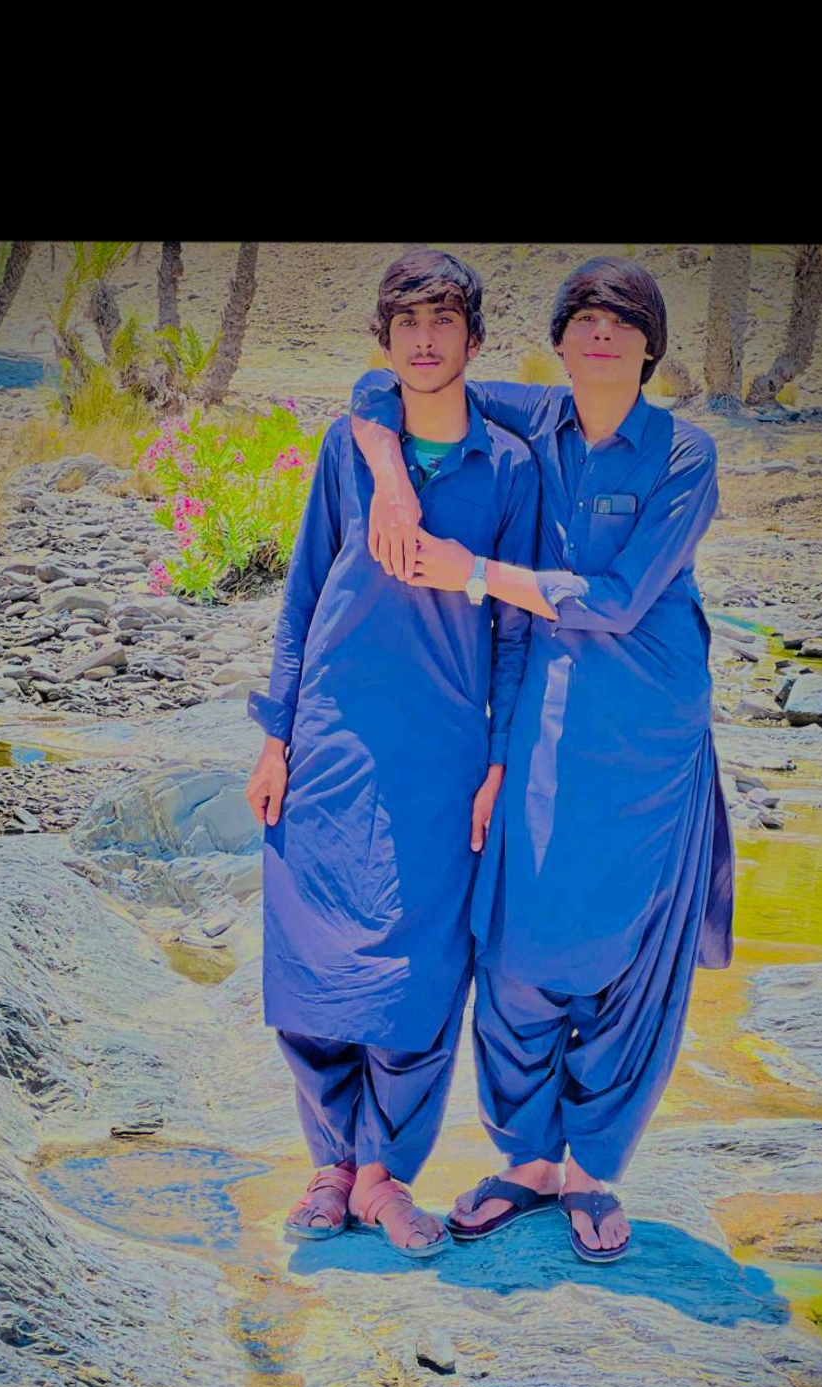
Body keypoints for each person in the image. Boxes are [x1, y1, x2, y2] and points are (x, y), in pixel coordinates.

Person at [349, 254, 734, 1263]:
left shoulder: (685, 456)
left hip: (652, 726)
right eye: (584, 318)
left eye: (624, 320)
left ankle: (593, 1170)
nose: (602, 332)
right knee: (519, 940)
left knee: (627, 950)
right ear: (558, 341)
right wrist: (391, 485)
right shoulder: (530, 415)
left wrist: (473, 570)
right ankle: (526, 1161)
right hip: (549, 710)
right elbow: (381, 385)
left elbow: (619, 599)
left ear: (649, 347)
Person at [245, 249, 539, 1258]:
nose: (424, 339)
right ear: (384, 338)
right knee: (313, 963)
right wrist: (276, 737)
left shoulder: (509, 469)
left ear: (473, 337)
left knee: (421, 974)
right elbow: (302, 595)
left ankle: (383, 1175)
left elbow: (515, 631)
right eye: (406, 321)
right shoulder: (349, 447)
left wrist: (497, 762)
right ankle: (332, 1166)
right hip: (331, 735)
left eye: (443, 319)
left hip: (442, 753)